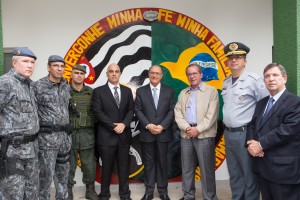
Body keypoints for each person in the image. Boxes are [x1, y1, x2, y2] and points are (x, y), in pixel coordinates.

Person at [222, 42, 269, 200]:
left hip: (245, 134)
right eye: (231, 57)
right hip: (229, 134)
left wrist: (258, 138)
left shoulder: (255, 80)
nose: (234, 60)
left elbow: (265, 109)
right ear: (227, 61)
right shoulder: (226, 82)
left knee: (249, 175)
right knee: (234, 173)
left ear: (245, 61)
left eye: (238, 57)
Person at [246, 63, 300, 200]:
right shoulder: (261, 103)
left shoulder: (295, 102)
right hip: (263, 167)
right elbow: (252, 125)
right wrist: (251, 144)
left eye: (275, 75)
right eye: (267, 76)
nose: (271, 79)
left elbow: (287, 131)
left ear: (284, 78)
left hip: (283, 171)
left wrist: (260, 144)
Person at [174, 63, 219, 200]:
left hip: (204, 136)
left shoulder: (211, 91)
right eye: (189, 74)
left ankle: (210, 197)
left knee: (207, 170)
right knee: (187, 169)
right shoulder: (183, 93)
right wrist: (187, 128)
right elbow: (178, 113)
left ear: (201, 74)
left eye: (194, 73)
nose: (192, 76)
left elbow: (212, 115)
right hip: (186, 135)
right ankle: (188, 196)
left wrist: (197, 129)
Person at [0, 47, 39, 200]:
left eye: (32, 62)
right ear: (14, 63)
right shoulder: (5, 83)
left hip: (31, 150)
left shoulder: (30, 85)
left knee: (32, 192)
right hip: (13, 152)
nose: (30, 65)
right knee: (13, 194)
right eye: (25, 61)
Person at [92, 63, 134, 200]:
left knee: (123, 168)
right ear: (107, 74)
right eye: (111, 71)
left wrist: (124, 124)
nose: (114, 74)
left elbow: (131, 110)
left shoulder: (127, 91)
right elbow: (98, 112)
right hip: (106, 136)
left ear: (120, 73)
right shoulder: (98, 91)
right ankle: (104, 194)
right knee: (106, 168)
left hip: (123, 136)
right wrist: (113, 126)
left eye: (116, 71)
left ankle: (124, 194)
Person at [33, 55, 72, 200]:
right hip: (47, 140)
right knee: (45, 177)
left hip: (64, 140)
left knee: (63, 176)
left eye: (62, 66)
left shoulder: (66, 86)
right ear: (49, 67)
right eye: (56, 66)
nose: (59, 69)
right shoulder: (38, 86)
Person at [134, 65, 174, 200]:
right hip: (147, 133)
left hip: (163, 133)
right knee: (149, 163)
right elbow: (138, 110)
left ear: (161, 75)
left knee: (163, 163)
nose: (155, 75)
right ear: (148, 75)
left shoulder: (169, 91)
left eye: (157, 73)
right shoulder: (141, 91)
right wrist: (148, 125)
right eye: (152, 73)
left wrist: (162, 126)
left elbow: (171, 111)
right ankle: (149, 191)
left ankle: (163, 191)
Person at [67, 65, 98, 200]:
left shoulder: (91, 92)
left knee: (89, 164)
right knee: (68, 165)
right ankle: (68, 190)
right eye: (76, 73)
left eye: (81, 73)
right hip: (69, 135)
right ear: (71, 74)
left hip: (87, 134)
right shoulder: (64, 91)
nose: (79, 75)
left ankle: (90, 190)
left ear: (84, 75)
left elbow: (97, 112)